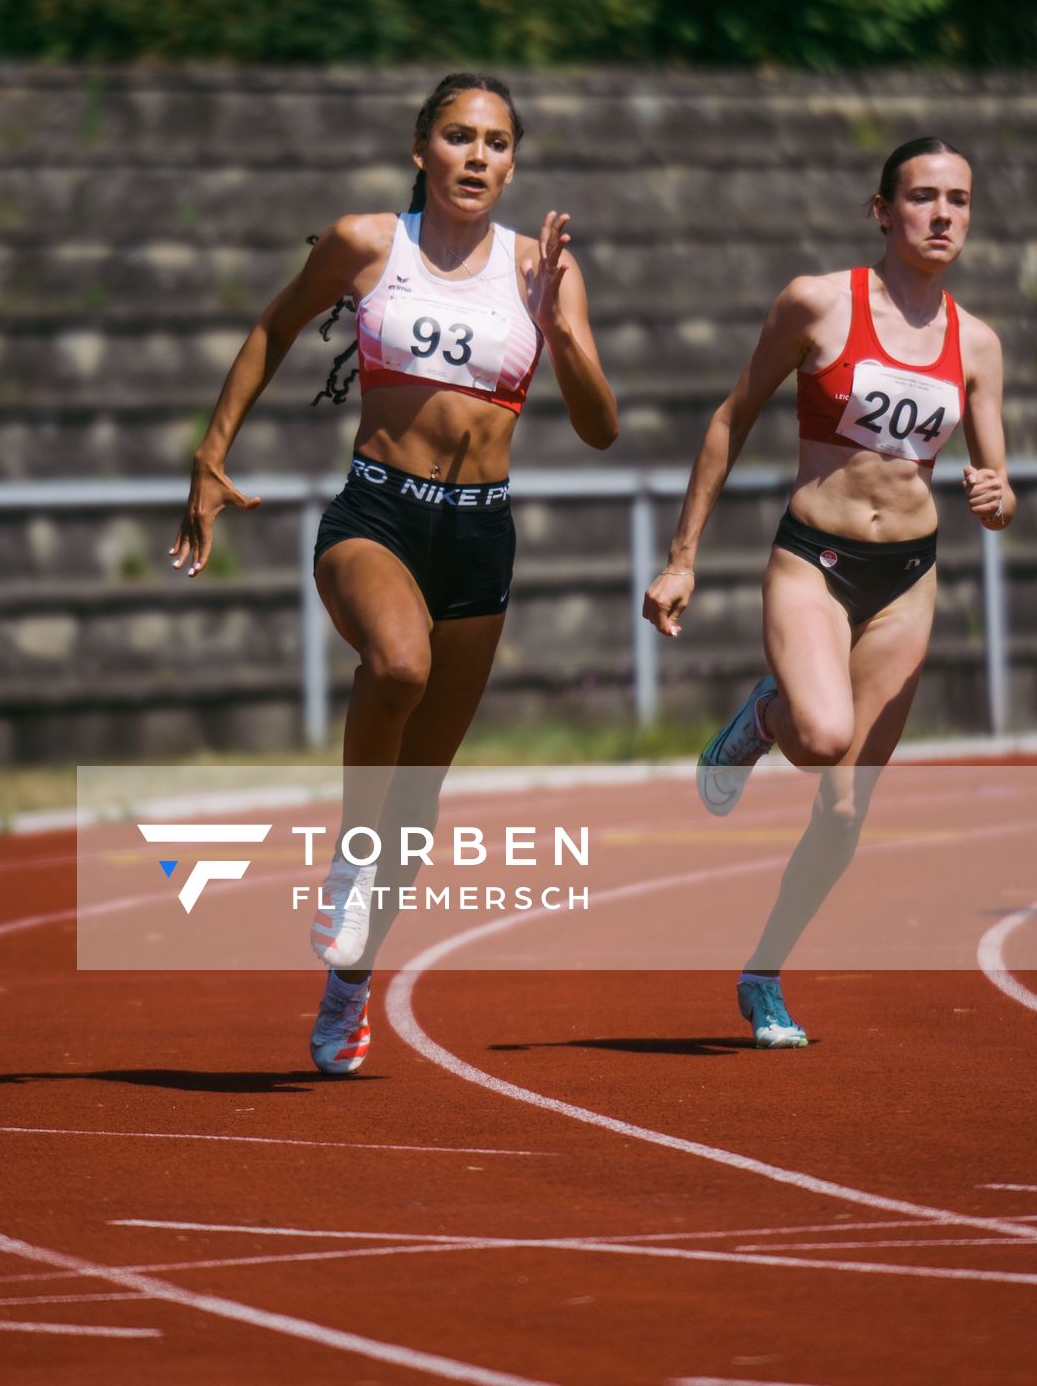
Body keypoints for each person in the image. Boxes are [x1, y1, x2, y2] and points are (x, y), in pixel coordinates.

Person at [173, 73, 618, 1073]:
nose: (476, 157)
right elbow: (275, 327)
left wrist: (556, 324)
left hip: (478, 536)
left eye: (496, 142)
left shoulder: (538, 269)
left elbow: (598, 427)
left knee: (419, 797)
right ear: (420, 146)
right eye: (457, 136)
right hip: (375, 512)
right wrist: (210, 457)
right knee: (398, 667)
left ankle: (346, 988)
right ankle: (344, 863)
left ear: (512, 160)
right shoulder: (368, 243)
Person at [642, 137, 1014, 1047]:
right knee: (820, 736)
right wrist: (682, 556)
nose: (941, 216)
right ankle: (764, 720)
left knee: (845, 812)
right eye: (922, 198)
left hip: (907, 581)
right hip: (816, 559)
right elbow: (732, 417)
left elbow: (993, 488)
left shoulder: (977, 343)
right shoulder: (819, 304)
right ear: (881, 210)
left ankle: (763, 974)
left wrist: (996, 499)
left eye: (957, 201)